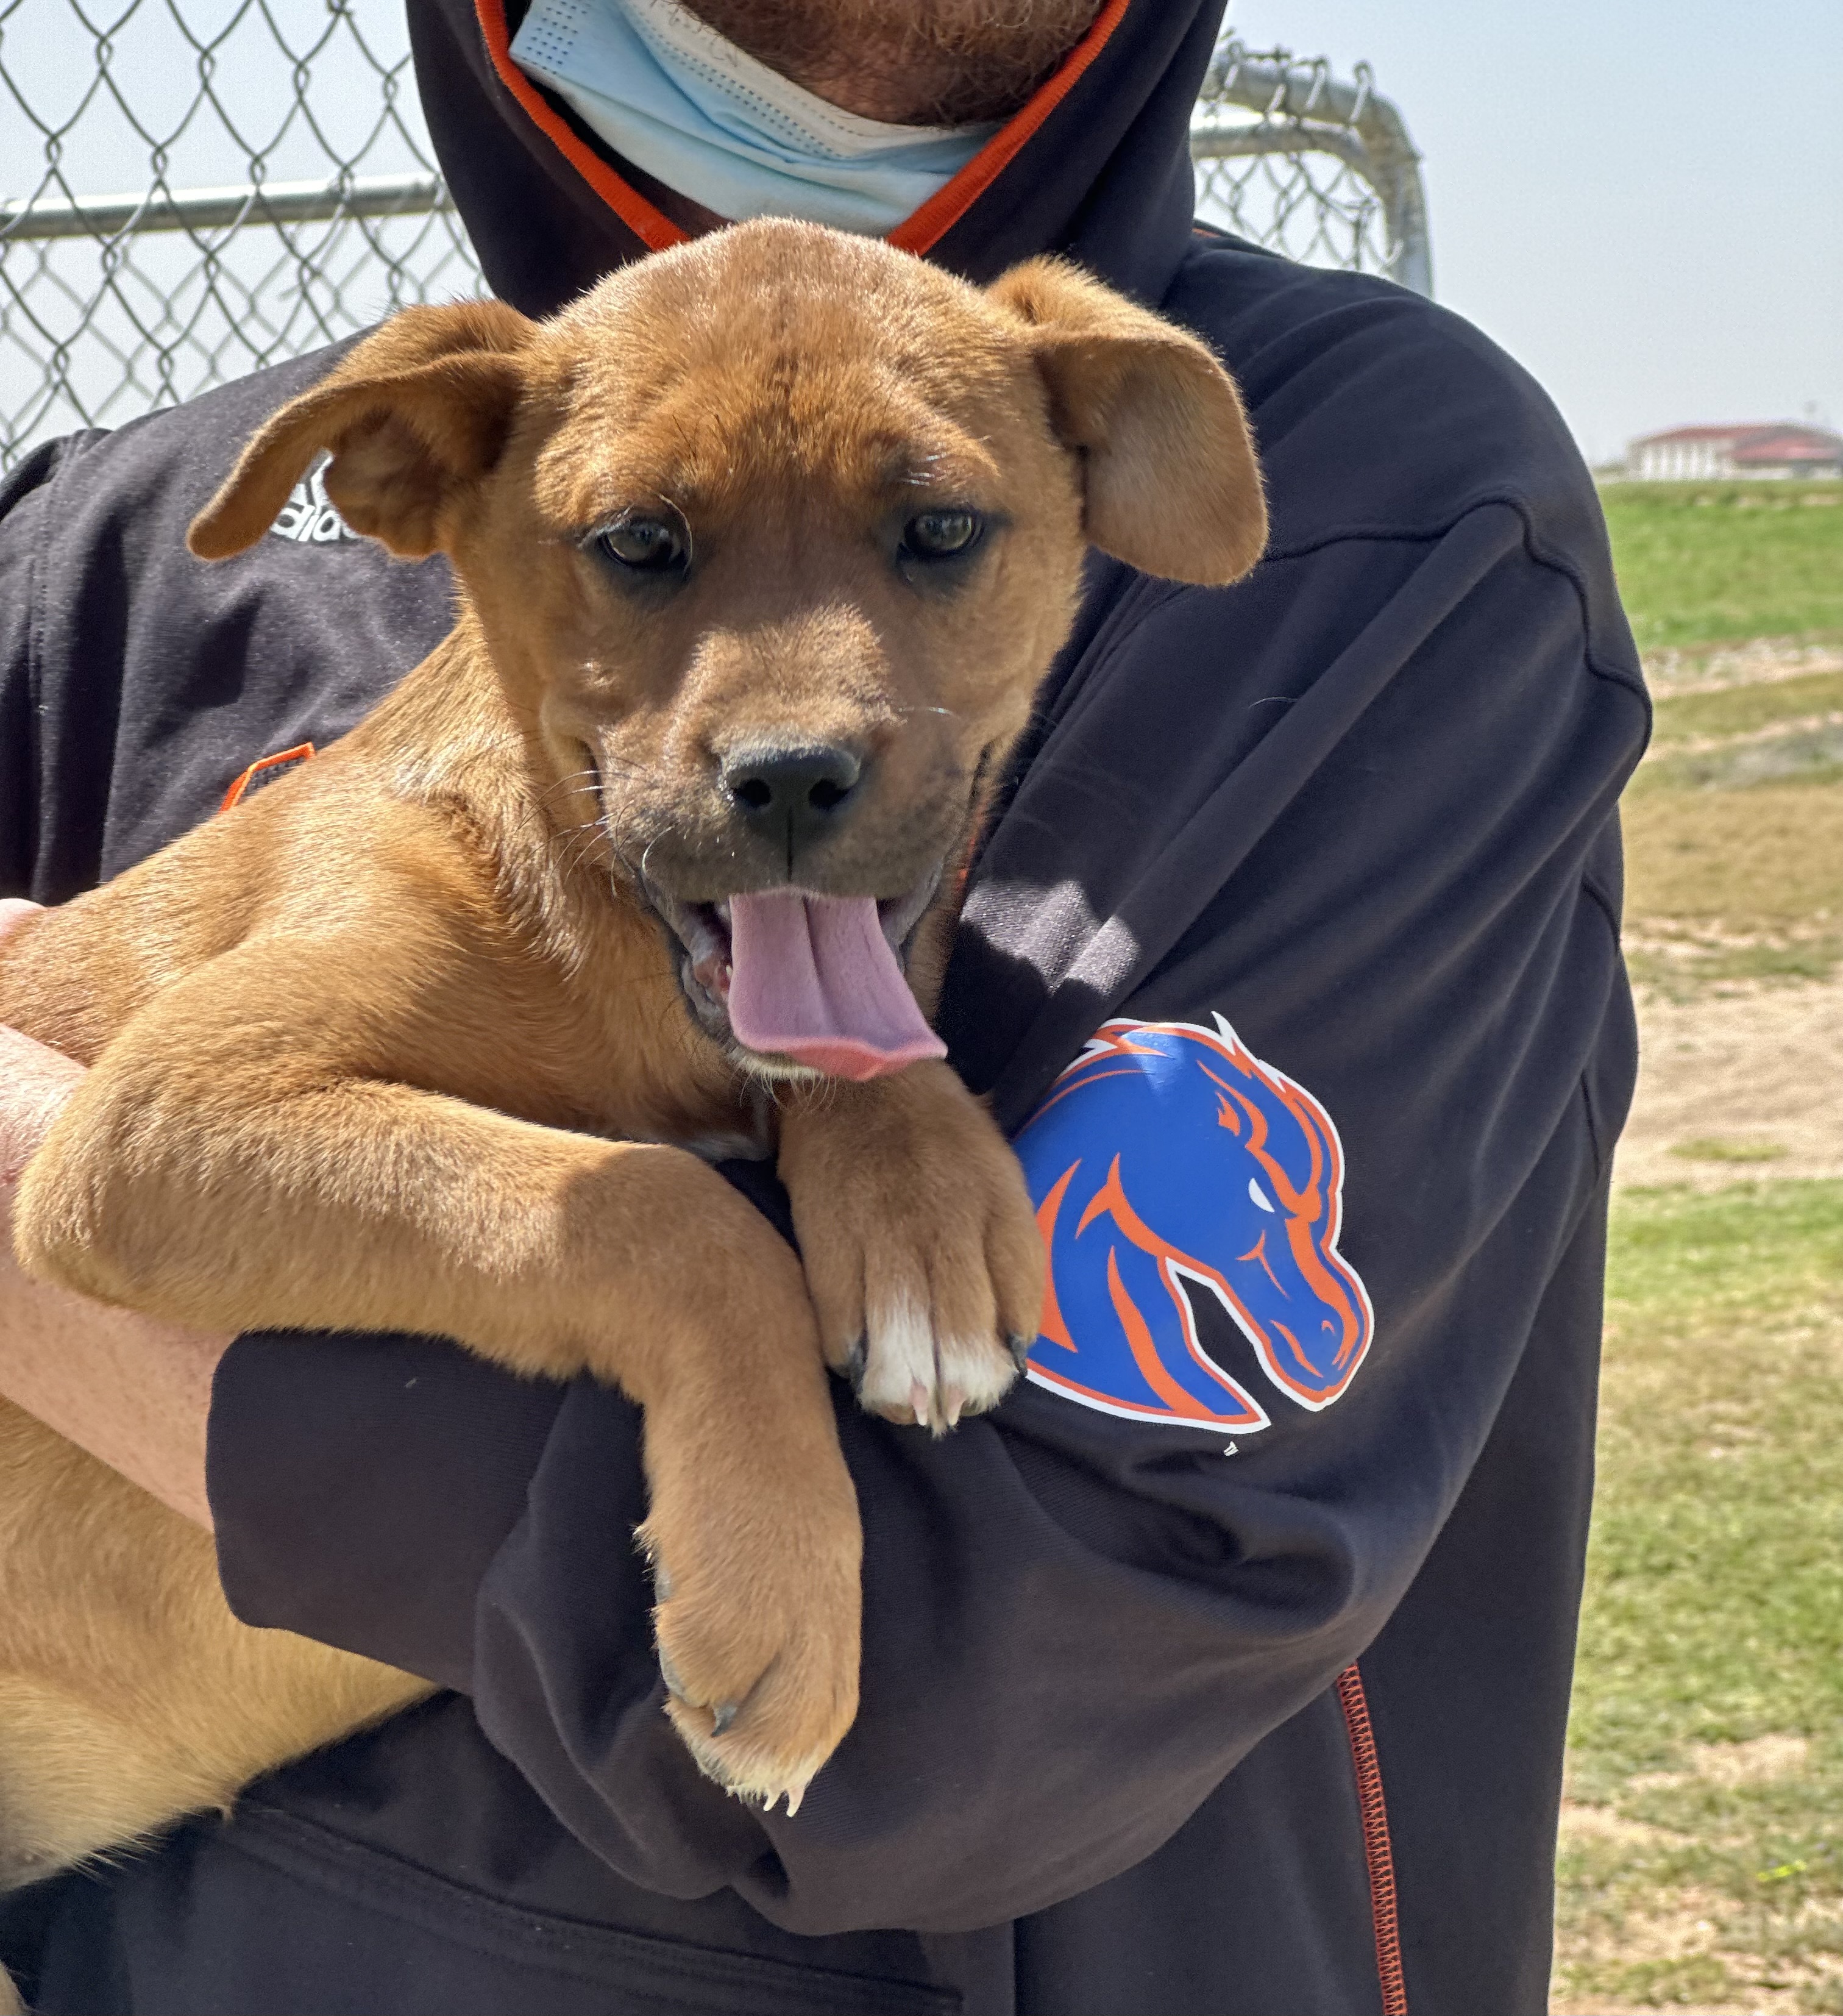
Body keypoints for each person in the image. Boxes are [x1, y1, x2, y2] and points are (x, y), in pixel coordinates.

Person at [0, 1, 1647, 2010]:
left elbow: (986, 1698)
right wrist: (678, 1262)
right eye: (640, 550)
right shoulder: (121, 560)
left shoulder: (1395, 525)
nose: (791, 713)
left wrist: (865, 1101)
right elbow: (134, 1169)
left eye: (937, 538)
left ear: (1107, 470)